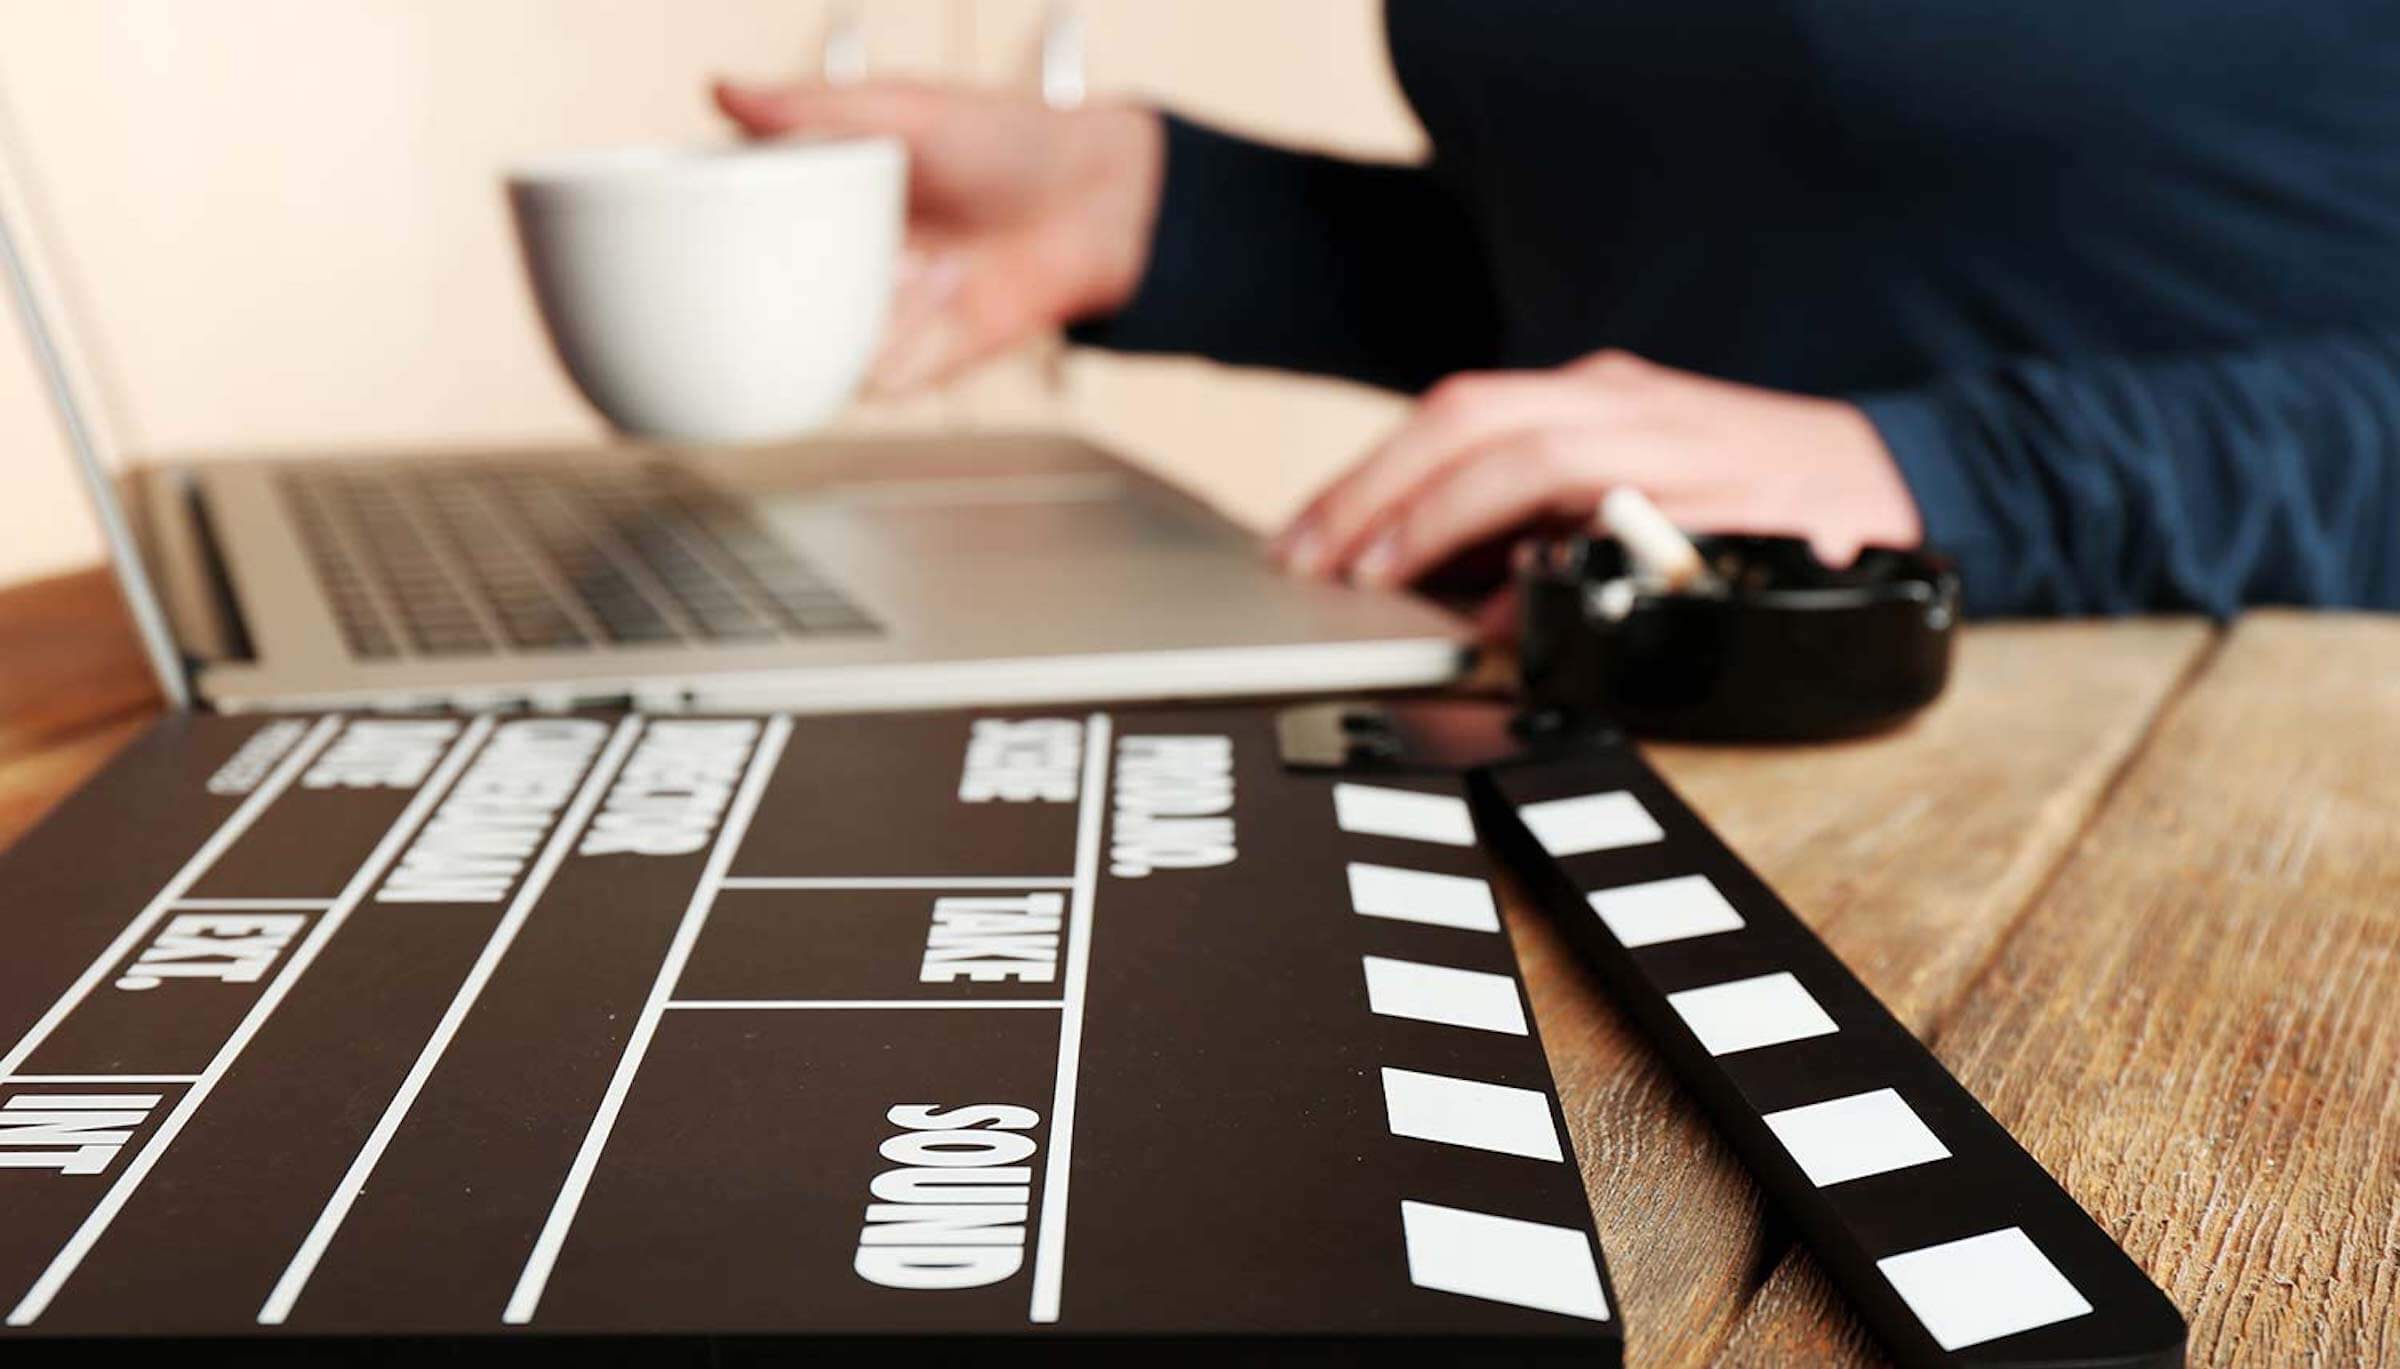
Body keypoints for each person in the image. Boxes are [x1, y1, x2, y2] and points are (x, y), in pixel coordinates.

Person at [713, 0, 2400, 630]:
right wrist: (1160, 207)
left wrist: (1962, 472)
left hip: (2221, 766)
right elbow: (1662, 275)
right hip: (1617, 703)